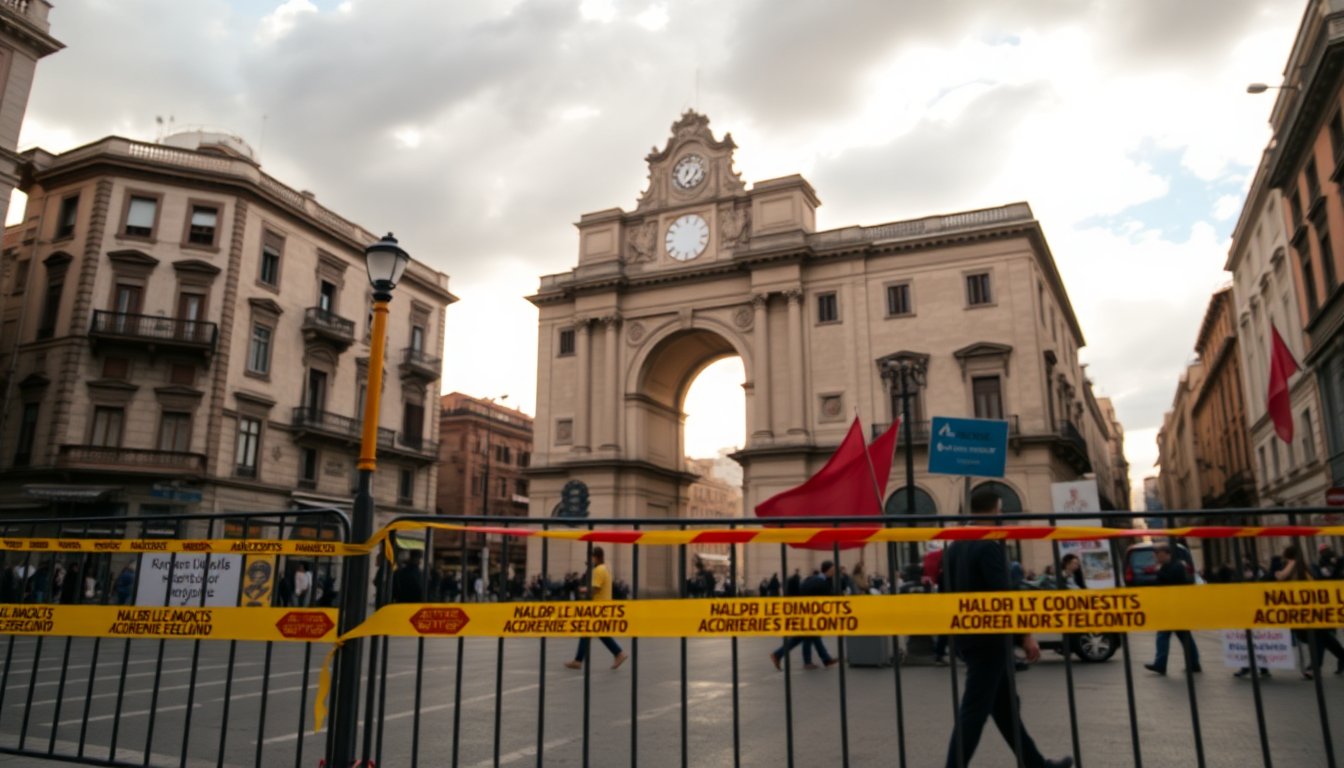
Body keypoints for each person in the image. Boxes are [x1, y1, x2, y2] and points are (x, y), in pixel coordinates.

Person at [942, 490, 1072, 768]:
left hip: (967, 634)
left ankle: (1036, 764)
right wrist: (1025, 634)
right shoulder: (990, 543)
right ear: (996, 511)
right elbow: (1004, 595)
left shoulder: (955, 545)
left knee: (1004, 709)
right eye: (1001, 512)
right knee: (974, 712)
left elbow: (947, 591)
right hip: (990, 639)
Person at [1278, 544, 1344, 679]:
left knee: (1317, 637)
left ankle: (1314, 668)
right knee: (1324, 638)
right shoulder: (1295, 568)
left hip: (1312, 610)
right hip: (1302, 611)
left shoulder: (1305, 568)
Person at [769, 561, 840, 671]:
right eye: (833, 570)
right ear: (828, 570)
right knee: (806, 637)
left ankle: (820, 660)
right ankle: (821, 660)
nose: (834, 572)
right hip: (810, 613)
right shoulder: (820, 582)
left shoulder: (815, 579)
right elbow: (827, 598)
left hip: (808, 613)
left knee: (808, 637)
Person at [565, 546, 627, 670]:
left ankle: (618, 653)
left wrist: (583, 589)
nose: (590, 560)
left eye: (591, 557)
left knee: (589, 631)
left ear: (596, 557)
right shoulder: (605, 568)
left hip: (598, 606)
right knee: (593, 632)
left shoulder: (598, 570)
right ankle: (617, 653)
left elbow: (595, 588)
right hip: (603, 605)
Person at [1144, 544, 1201, 676]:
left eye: (1158, 554)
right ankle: (1193, 663)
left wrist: (1159, 572)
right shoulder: (1167, 567)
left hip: (1176, 608)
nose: (1156, 557)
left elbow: (1171, 582)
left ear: (1166, 554)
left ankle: (1161, 664)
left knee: (1164, 635)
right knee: (1184, 636)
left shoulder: (1177, 566)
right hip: (1169, 607)